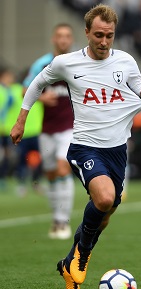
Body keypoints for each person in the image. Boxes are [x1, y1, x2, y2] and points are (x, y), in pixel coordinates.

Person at [10, 4, 141, 289]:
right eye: (98, 35)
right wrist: (22, 118)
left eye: (109, 36)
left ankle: (70, 262)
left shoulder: (126, 62)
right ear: (86, 32)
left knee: (107, 211)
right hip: (85, 147)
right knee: (104, 198)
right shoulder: (67, 63)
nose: (103, 41)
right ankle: (82, 256)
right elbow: (37, 83)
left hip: (117, 151)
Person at [23, 24, 75, 239]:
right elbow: (26, 88)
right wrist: (41, 97)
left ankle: (64, 221)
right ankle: (56, 219)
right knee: (51, 174)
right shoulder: (42, 64)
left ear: (71, 40)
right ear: (54, 38)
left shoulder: (78, 63)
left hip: (70, 127)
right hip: (47, 129)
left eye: (67, 36)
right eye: (60, 36)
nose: (63, 40)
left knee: (63, 168)